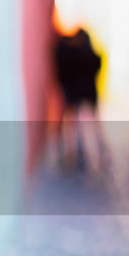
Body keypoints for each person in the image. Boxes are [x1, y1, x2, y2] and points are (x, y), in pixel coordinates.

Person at [51, 13, 110, 174]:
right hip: (84, 91)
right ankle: (92, 158)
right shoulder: (82, 47)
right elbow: (97, 63)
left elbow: (60, 70)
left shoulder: (65, 48)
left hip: (75, 91)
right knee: (85, 125)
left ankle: (77, 157)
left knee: (75, 125)